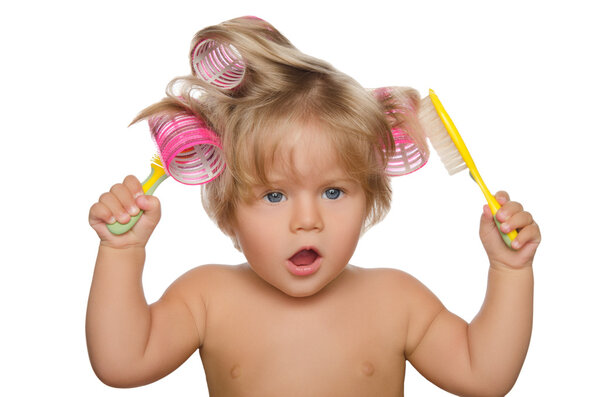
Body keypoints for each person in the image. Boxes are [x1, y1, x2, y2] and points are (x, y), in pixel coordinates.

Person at [86, 16, 541, 396]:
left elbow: (485, 375)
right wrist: (121, 254)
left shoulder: (396, 299)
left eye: (333, 192)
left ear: (370, 197)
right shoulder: (206, 297)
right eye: (275, 195)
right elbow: (121, 363)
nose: (308, 221)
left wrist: (510, 272)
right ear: (227, 210)